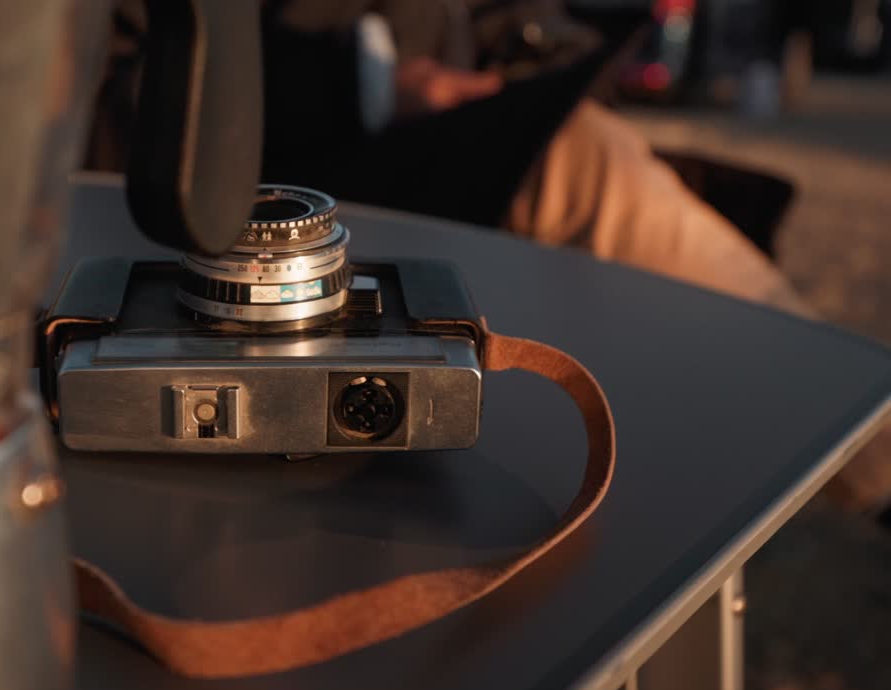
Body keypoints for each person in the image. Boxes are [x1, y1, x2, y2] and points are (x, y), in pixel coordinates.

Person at [86, 0, 887, 515]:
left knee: (609, 156)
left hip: (477, 155)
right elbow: (106, 91)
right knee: (589, 164)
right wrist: (374, 85)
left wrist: (541, 72)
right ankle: (871, 449)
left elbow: (511, 19)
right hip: (310, 178)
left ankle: (855, 444)